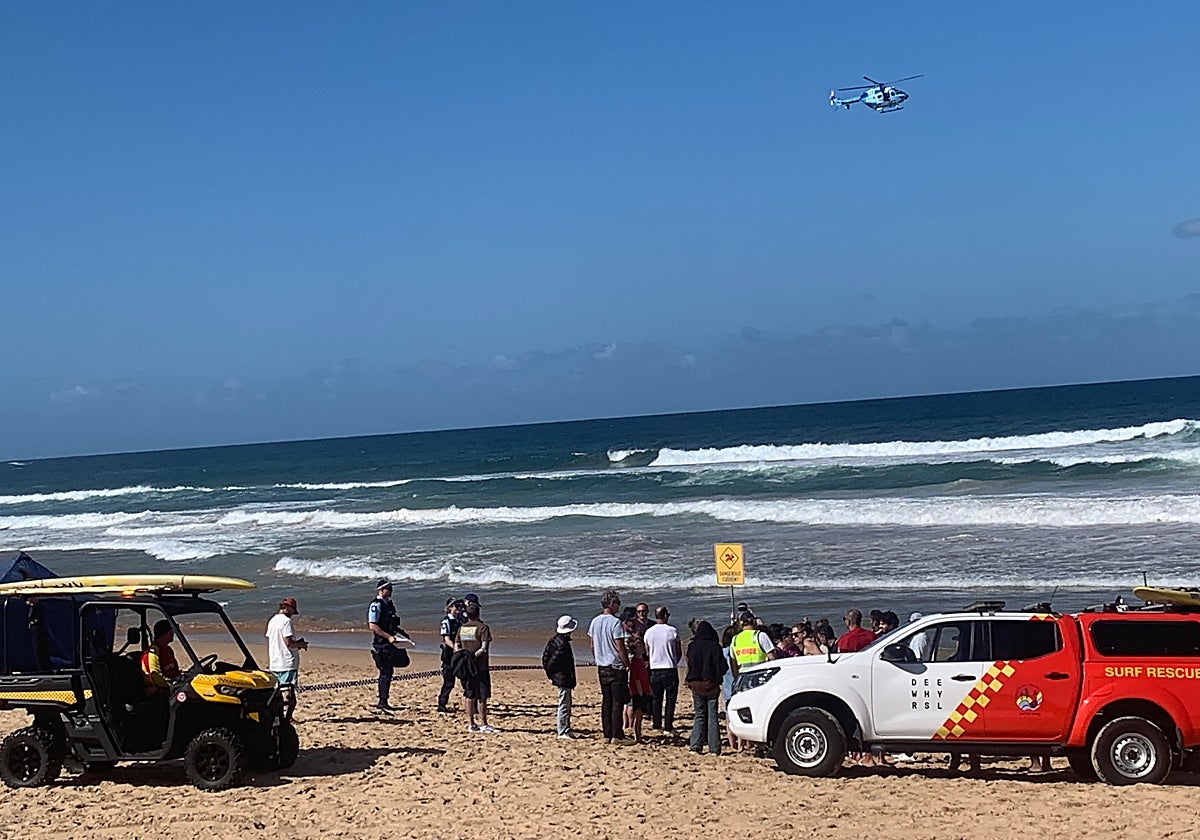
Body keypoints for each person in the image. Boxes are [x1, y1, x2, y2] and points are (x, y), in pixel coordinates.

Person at [588, 589, 631, 744]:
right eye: (617, 603)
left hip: (602, 665)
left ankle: (607, 733)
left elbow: (592, 646)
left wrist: (598, 657)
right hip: (615, 665)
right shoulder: (615, 622)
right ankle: (617, 734)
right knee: (617, 701)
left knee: (607, 700)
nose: (619, 606)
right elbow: (620, 646)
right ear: (612, 603)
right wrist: (627, 663)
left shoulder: (595, 621)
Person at [684, 620, 727, 755]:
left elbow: (690, 663)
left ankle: (695, 745)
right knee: (712, 716)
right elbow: (723, 666)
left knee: (699, 715)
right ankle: (713, 748)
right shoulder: (715, 647)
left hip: (696, 683)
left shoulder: (692, 646)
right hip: (711, 683)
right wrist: (717, 676)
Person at [456, 601, 496, 732]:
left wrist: (464, 657)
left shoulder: (462, 628)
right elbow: (484, 648)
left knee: (469, 695)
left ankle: (471, 724)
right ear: (478, 614)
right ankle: (483, 723)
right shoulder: (483, 628)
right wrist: (473, 657)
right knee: (482, 696)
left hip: (466, 667)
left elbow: (457, 646)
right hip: (480, 666)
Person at [266, 597, 308, 721]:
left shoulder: (272, 620)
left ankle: (279, 716)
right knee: (289, 694)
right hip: (287, 662)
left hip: (275, 661)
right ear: (289, 608)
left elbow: (276, 640)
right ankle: (288, 718)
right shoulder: (286, 622)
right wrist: (301, 644)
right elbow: (289, 643)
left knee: (278, 693)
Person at [367, 579, 406, 711]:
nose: (390, 591)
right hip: (382, 643)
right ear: (380, 590)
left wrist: (402, 634)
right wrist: (388, 637)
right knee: (385, 671)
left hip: (390, 642)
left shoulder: (389, 604)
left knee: (393, 668)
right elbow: (373, 625)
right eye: (388, 589)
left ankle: (384, 700)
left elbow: (392, 624)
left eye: (391, 589)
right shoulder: (376, 605)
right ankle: (382, 701)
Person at [643, 605, 681, 734]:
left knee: (656, 698)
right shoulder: (672, 630)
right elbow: (678, 651)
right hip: (669, 667)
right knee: (670, 699)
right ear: (665, 616)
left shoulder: (649, 632)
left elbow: (647, 650)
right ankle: (668, 725)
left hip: (655, 668)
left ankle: (656, 724)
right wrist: (674, 661)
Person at [542, 615, 578, 739]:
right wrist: (551, 672)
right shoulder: (563, 644)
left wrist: (550, 673)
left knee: (566, 704)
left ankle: (565, 728)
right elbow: (552, 661)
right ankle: (562, 730)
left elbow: (545, 657)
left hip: (560, 676)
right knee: (564, 705)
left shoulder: (554, 640)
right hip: (563, 677)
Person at [622, 608, 652, 743]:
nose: (643, 648)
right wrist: (640, 692)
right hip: (638, 692)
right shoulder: (635, 661)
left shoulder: (640, 660)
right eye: (640, 646)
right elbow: (636, 679)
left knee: (639, 716)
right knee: (638, 716)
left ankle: (637, 735)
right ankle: (637, 736)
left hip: (643, 690)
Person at [438, 598, 465, 713]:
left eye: (459, 606)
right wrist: (455, 648)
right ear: (449, 608)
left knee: (465, 680)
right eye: (455, 606)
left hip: (460, 654)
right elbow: (446, 639)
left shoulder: (461, 620)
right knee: (449, 682)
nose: (458, 608)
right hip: (449, 655)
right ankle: (442, 704)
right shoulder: (447, 621)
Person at [141, 618, 180, 696]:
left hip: (171, 686)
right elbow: (156, 677)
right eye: (171, 632)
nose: (173, 634)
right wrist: (172, 685)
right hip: (158, 691)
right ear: (166, 633)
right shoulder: (152, 653)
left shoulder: (168, 650)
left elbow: (176, 671)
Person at [729, 611, 772, 676]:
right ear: (754, 621)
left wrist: (737, 678)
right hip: (761, 674)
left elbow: (733, 663)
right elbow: (772, 657)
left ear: (741, 624)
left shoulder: (735, 639)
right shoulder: (760, 635)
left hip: (744, 676)